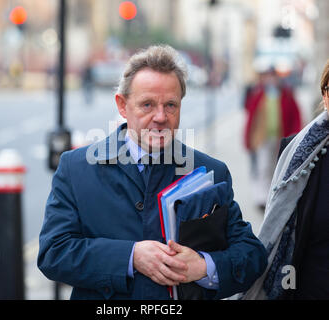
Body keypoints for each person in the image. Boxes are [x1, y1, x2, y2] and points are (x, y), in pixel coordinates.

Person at [37, 45, 267, 300]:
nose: (160, 117)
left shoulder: (212, 172)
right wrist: (131, 257)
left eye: (170, 105)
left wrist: (203, 266)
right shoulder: (76, 168)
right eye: (147, 104)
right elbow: (53, 253)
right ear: (122, 105)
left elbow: (251, 255)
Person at [242, 59, 329, 300]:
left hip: (278, 133)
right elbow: (250, 116)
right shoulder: (302, 155)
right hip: (312, 288)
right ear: (324, 96)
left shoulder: (286, 95)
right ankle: (260, 195)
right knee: (265, 171)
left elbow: (292, 115)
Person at [244, 67, 302, 210]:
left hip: (281, 138)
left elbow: (296, 116)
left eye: (273, 77)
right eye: (268, 77)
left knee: (279, 168)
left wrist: (295, 136)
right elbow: (250, 118)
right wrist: (248, 138)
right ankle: (263, 199)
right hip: (263, 138)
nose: (270, 80)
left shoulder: (287, 95)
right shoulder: (258, 95)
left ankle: (275, 197)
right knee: (263, 168)